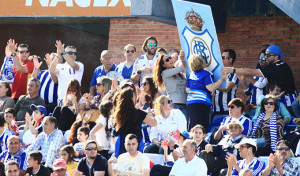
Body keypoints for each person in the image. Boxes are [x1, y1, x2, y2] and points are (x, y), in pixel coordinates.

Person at [222, 45, 297, 115]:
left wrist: (233, 70)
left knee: (290, 123)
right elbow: (250, 90)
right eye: (265, 55)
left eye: (268, 55)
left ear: (276, 57)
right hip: (279, 100)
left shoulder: (276, 67)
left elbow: (253, 73)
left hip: (287, 100)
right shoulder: (276, 65)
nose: (266, 57)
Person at [186, 54, 227, 130]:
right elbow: (210, 88)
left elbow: (187, 90)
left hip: (190, 102)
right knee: (202, 126)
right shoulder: (206, 74)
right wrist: (221, 79)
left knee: (192, 125)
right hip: (202, 102)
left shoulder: (190, 75)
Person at [113, 87, 157, 157]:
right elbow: (154, 123)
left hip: (122, 141)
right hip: (135, 141)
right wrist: (149, 112)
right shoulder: (137, 113)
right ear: (131, 98)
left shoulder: (118, 113)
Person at [153, 53, 187, 119]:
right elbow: (181, 68)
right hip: (174, 103)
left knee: (185, 126)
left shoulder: (178, 74)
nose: (170, 60)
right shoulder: (165, 73)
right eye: (167, 60)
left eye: (170, 58)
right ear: (163, 64)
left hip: (185, 102)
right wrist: (180, 60)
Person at [214, 49, 239, 115]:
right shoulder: (218, 72)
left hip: (228, 110)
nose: (221, 60)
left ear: (230, 60)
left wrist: (213, 86)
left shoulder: (235, 73)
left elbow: (227, 88)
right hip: (216, 110)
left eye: (223, 58)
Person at [243, 49, 268, 117]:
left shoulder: (269, 73)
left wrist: (247, 76)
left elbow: (261, 85)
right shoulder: (255, 76)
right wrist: (242, 81)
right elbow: (248, 92)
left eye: (263, 58)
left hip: (262, 109)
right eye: (259, 58)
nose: (261, 60)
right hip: (251, 107)